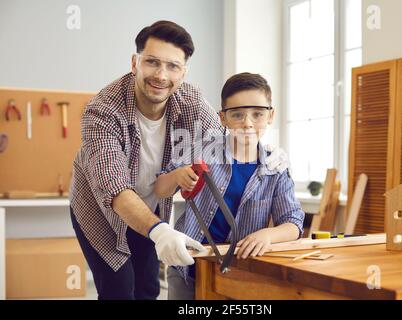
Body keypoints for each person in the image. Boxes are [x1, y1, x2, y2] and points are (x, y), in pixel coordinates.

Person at [69, 21, 289, 300]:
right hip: (101, 211)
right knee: (120, 290)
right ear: (135, 63)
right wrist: (160, 231)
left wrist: (268, 158)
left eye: (173, 66)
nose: (161, 75)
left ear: (183, 73)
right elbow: (114, 188)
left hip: (151, 209)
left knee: (147, 289)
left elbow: (227, 140)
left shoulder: (190, 102)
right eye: (152, 62)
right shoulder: (101, 112)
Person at [154, 72, 305, 300]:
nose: (248, 123)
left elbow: (293, 224)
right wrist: (176, 176)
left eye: (257, 114)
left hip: (240, 272)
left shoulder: (277, 166)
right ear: (222, 118)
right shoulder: (200, 150)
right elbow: (159, 189)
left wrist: (267, 235)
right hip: (188, 268)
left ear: (271, 115)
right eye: (237, 115)